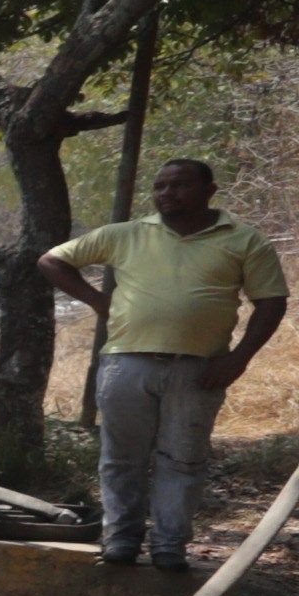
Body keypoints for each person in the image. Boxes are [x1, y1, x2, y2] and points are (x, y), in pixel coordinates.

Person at [41, 157, 286, 571]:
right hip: (125, 364)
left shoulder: (244, 240)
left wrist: (239, 359)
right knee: (121, 458)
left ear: (210, 191)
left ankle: (169, 546)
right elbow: (52, 260)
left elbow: (272, 302)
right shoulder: (127, 234)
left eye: (178, 185)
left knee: (183, 459)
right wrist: (100, 303)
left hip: (199, 369)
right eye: (159, 187)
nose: (166, 194)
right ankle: (120, 540)